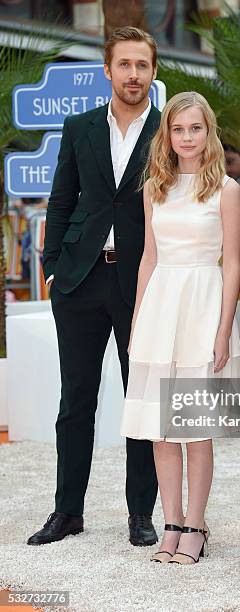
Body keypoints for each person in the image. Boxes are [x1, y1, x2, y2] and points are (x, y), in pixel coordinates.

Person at [28, 27, 161, 547]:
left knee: (141, 400)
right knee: (76, 399)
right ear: (108, 70)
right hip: (80, 280)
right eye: (124, 64)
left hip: (142, 283)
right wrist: (52, 264)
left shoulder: (168, 129)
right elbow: (61, 199)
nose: (133, 74)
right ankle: (67, 512)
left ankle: (140, 514)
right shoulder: (79, 125)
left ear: (154, 72)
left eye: (142, 65)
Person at [121, 91, 240, 564]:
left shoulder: (226, 190)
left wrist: (221, 331)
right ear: (167, 135)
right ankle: (170, 524)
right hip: (159, 308)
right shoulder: (155, 186)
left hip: (201, 306)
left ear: (207, 131)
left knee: (195, 428)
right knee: (160, 429)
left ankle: (196, 525)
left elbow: (231, 264)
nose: (186, 137)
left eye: (195, 128)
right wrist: (137, 323)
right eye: (178, 129)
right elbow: (149, 259)